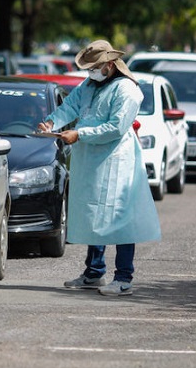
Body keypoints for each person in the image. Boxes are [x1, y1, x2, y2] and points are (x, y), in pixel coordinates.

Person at [37, 40, 161, 296]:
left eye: (95, 67)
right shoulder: (89, 85)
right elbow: (70, 106)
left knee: (120, 217)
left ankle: (124, 276)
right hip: (91, 160)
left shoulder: (127, 90)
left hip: (117, 160)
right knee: (95, 214)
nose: (91, 71)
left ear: (110, 64)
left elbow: (116, 127)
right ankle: (94, 272)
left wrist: (79, 134)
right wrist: (52, 122)